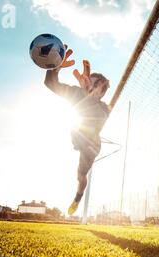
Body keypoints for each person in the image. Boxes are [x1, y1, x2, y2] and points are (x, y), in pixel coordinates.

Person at [44, 45, 111, 215]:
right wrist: (55, 67)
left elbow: (95, 119)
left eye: (95, 85)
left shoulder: (103, 109)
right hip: (77, 136)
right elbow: (50, 83)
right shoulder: (76, 93)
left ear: (102, 93)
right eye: (88, 80)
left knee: (81, 177)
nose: (88, 83)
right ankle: (78, 193)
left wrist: (89, 93)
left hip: (91, 145)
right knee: (77, 175)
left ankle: (78, 197)